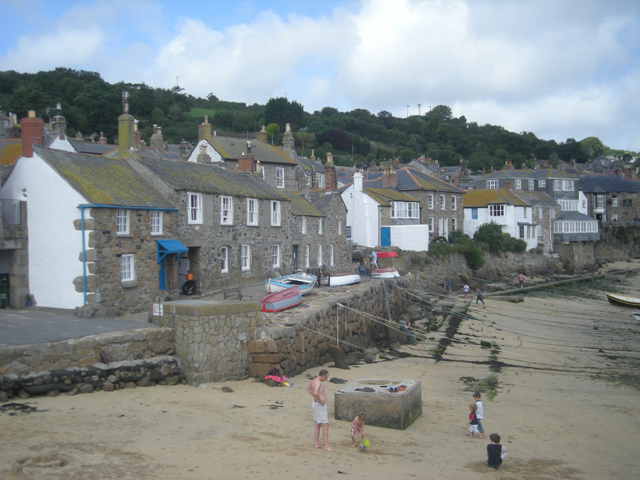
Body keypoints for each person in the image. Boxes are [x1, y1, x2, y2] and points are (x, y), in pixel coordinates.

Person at [307, 369, 334, 452]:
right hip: (319, 405)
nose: (326, 379)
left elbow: (308, 389)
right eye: (326, 377)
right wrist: (320, 400)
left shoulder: (313, 380)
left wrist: (315, 398)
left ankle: (317, 443)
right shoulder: (318, 382)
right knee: (325, 425)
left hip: (315, 404)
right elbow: (315, 392)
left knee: (317, 424)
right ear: (322, 376)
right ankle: (326, 445)